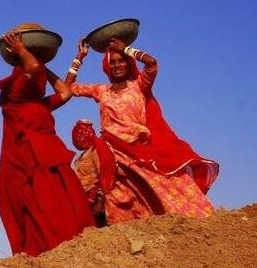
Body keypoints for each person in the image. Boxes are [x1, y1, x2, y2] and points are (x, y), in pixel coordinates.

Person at [65, 38, 218, 223]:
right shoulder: (101, 90)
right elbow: (69, 87)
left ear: (128, 63)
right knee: (83, 176)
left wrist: (127, 49)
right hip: (109, 151)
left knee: (161, 185)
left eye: (121, 60)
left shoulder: (139, 85)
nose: (117, 65)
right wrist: (79, 57)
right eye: (112, 62)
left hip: (135, 150)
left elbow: (152, 64)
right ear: (107, 66)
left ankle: (194, 221)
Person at [0, 26, 95, 256]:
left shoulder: (41, 104)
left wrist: (72, 61)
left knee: (68, 209)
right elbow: (32, 67)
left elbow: (65, 92)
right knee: (44, 214)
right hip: (28, 166)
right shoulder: (15, 97)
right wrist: (23, 51)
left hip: (49, 163)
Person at [71, 119, 108, 227]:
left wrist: (98, 198)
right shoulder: (80, 157)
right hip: (84, 200)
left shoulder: (96, 151)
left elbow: (103, 175)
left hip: (96, 200)